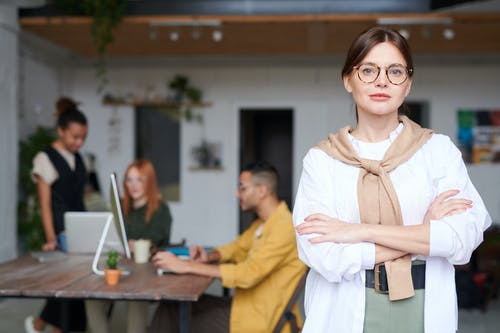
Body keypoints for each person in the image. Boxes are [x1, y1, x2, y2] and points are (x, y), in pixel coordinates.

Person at [293, 26, 492, 333]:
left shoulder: (437, 151)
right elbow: (325, 257)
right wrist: (423, 235)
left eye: (395, 71)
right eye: (368, 70)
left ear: (407, 83)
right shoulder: (322, 161)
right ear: (348, 80)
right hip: (344, 311)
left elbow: (460, 240)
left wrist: (355, 231)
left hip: (424, 308)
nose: (382, 80)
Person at [149, 161, 307, 333]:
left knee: (173, 314)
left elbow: (248, 274)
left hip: (261, 319)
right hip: (246, 306)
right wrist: (209, 257)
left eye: (242, 188)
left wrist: (185, 266)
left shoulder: (283, 227)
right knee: (170, 305)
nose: (237, 193)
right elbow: (235, 248)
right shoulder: (263, 224)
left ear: (262, 191)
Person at [85, 159, 173, 333]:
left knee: (136, 295)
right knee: (91, 295)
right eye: (129, 179)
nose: (133, 185)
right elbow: (112, 234)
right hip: (121, 264)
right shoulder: (121, 207)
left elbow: (158, 238)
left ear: (149, 181)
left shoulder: (161, 208)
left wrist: (138, 244)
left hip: (146, 269)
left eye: (139, 179)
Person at [25, 97, 88, 333]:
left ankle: (43, 326)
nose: (79, 142)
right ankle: (41, 325)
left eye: (83, 137)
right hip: (61, 231)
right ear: (60, 131)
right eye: (74, 137)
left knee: (78, 286)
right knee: (69, 286)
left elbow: (84, 194)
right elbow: (45, 205)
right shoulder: (45, 159)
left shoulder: (79, 158)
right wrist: (51, 238)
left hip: (80, 228)